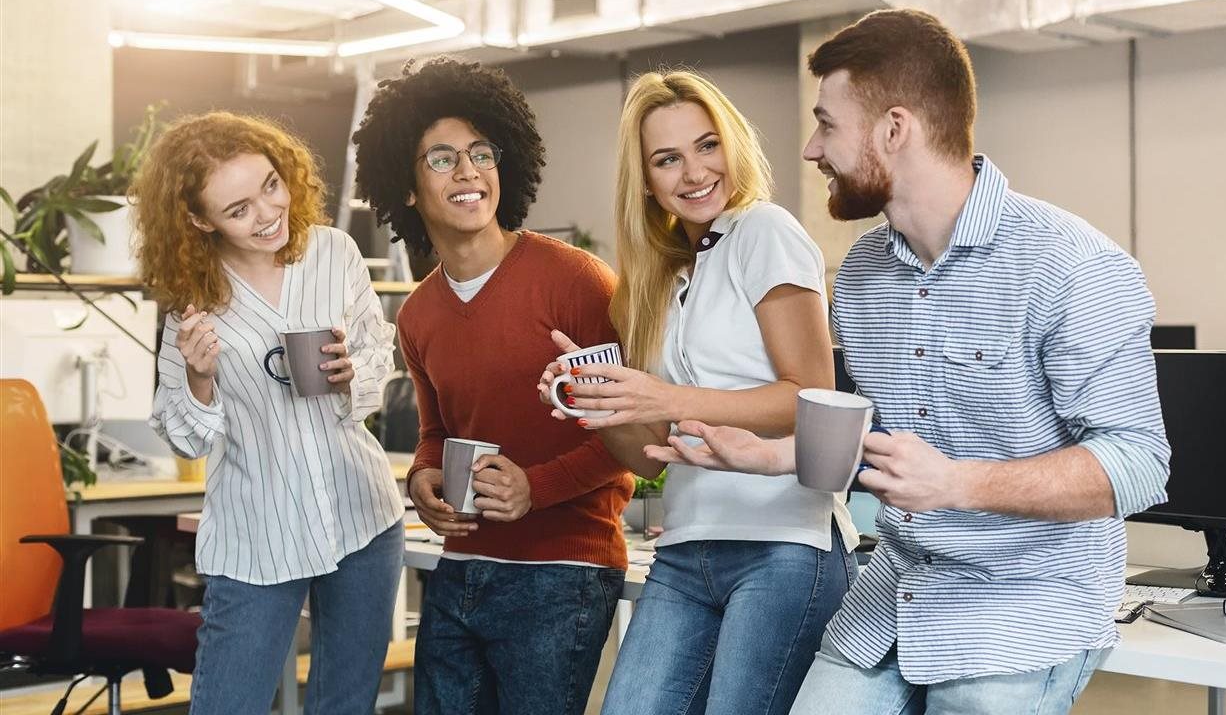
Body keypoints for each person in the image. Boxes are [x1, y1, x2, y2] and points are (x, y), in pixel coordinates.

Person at [646, 9, 1172, 715]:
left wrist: (958, 483)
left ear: (894, 130)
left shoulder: (1070, 266)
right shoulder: (864, 274)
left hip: (1020, 605)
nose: (810, 149)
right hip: (895, 591)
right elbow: (882, 446)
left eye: (827, 125)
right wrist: (769, 457)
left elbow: (1138, 463)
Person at [538, 70, 858, 715]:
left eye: (707, 146)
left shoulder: (763, 230)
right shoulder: (662, 278)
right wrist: (601, 404)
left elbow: (813, 399)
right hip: (685, 548)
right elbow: (650, 456)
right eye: (668, 159)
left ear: (732, 146)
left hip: (784, 545)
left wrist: (667, 398)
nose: (693, 172)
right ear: (646, 179)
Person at [352, 58, 631, 715]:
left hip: (564, 570)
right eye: (442, 158)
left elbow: (630, 437)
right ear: (408, 188)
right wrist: (423, 478)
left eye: (481, 153)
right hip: (460, 567)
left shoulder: (578, 282)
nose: (468, 171)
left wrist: (537, 487)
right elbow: (436, 432)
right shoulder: (418, 315)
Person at [133, 112, 403, 714]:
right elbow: (186, 439)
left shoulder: (333, 252)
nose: (267, 214)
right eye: (238, 210)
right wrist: (200, 378)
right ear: (199, 220)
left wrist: (353, 373)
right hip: (257, 533)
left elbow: (376, 353)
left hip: (361, 512)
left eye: (271, 186)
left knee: (345, 706)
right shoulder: (194, 301)